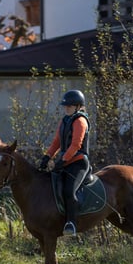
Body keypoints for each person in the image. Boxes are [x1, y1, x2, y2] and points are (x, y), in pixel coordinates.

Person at [38, 89, 91, 236]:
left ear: (78, 106)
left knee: (69, 190)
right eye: (65, 106)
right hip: (65, 162)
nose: (66, 108)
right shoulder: (64, 120)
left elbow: (76, 145)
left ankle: (71, 223)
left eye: (69, 106)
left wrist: (63, 160)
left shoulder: (80, 121)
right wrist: (47, 157)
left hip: (79, 163)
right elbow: (57, 142)